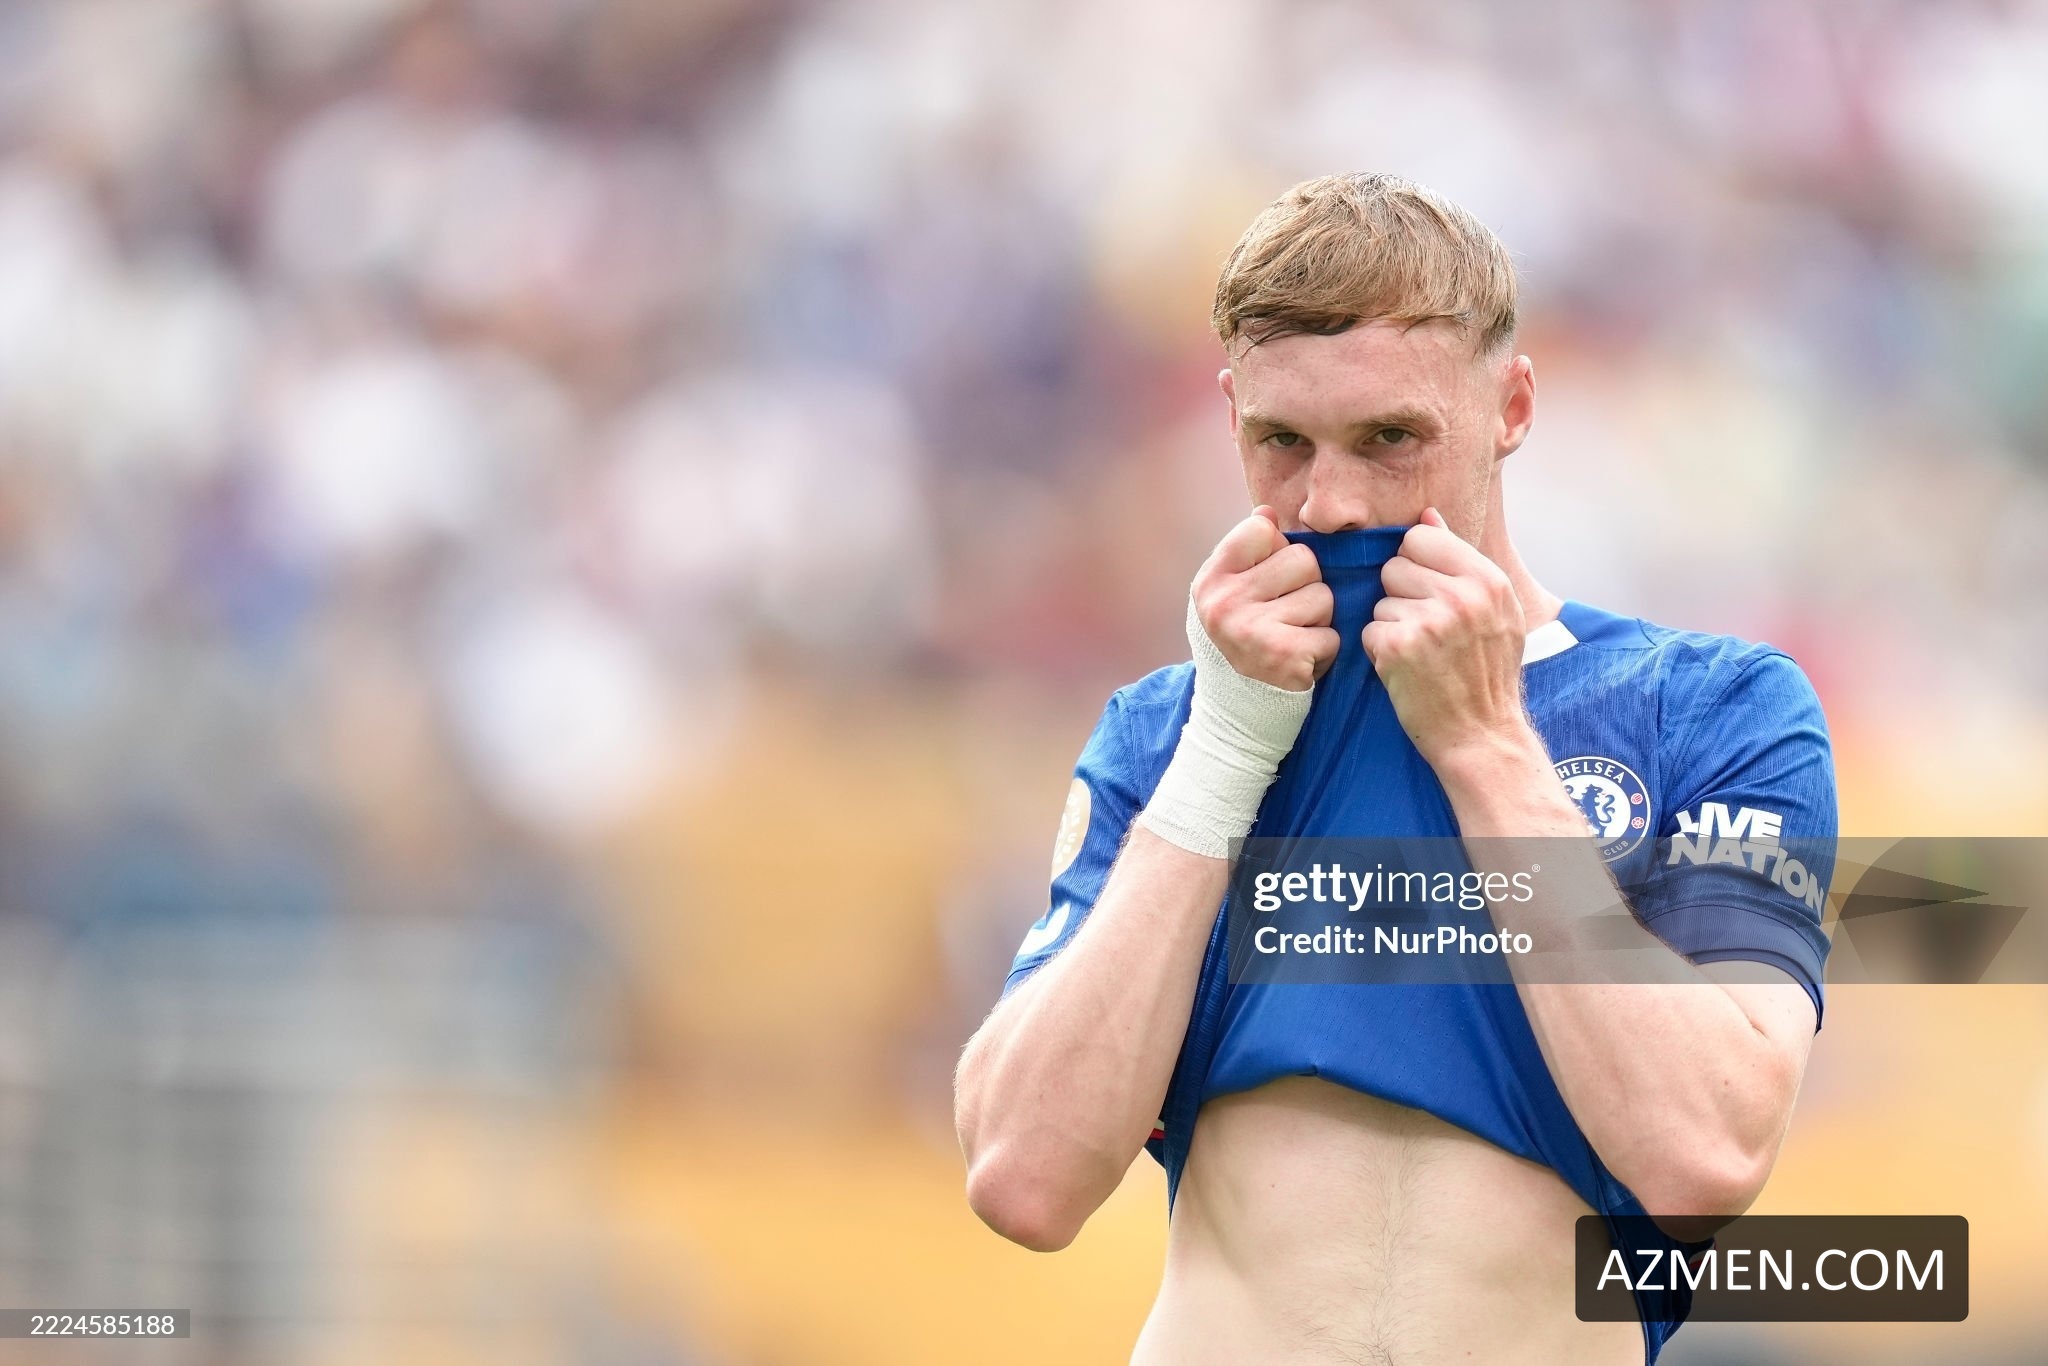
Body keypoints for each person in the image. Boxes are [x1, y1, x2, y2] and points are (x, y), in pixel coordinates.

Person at [951, 172, 1835, 1365]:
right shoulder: (1167, 734)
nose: (1330, 503)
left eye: (1389, 439)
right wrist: (1220, 756)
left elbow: (1703, 1158)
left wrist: (1486, 745)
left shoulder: (1710, 709)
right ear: (1230, 417)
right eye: (1281, 442)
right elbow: (1022, 1178)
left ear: (1510, 407)